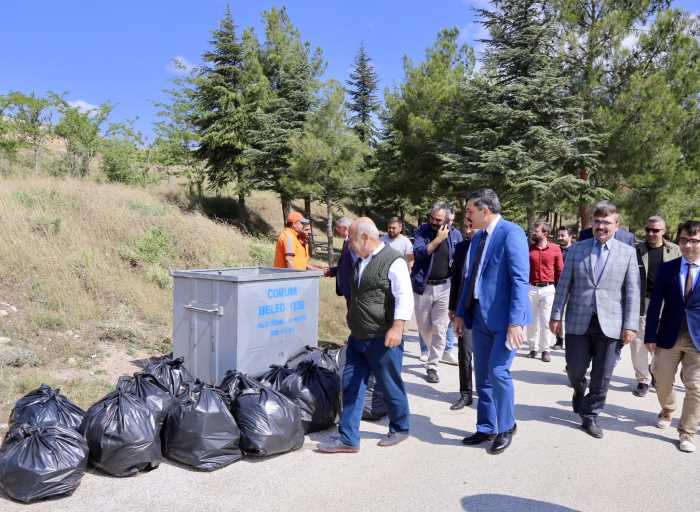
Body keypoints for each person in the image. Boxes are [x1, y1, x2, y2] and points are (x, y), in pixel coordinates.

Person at [317, 217, 413, 453]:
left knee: (390, 385)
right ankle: (348, 438)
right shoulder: (360, 260)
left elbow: (404, 296)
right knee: (351, 385)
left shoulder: (393, 260)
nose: (348, 242)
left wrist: (397, 327)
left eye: (351, 238)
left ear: (365, 238)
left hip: (383, 338)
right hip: (358, 337)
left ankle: (400, 427)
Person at [550, 201, 640, 439]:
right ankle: (579, 388)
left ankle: (590, 415)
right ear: (592, 223)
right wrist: (556, 314)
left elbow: (632, 292)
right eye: (597, 222)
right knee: (576, 368)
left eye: (606, 223)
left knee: (603, 374)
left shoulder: (628, 253)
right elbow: (563, 285)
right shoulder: (577, 250)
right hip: (579, 319)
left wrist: (630, 325)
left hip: (611, 323)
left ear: (616, 226)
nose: (601, 227)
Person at [454, 189, 531, 455]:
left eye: (470, 212)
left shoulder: (512, 233)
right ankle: (486, 427)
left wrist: (517, 321)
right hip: (479, 317)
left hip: (505, 321)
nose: (467, 216)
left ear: (485, 211)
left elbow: (521, 280)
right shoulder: (476, 239)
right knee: (483, 376)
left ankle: (507, 426)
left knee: (498, 373)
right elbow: (470, 278)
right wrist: (461, 313)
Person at [644, 220, 700, 453]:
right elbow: (655, 304)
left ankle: (687, 432)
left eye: (695, 241)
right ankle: (667, 409)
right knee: (663, 381)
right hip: (669, 335)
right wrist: (649, 335)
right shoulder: (668, 268)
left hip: (697, 340)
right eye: (684, 240)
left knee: (695, 387)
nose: (689, 246)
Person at [411, 203, 463, 383]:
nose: (433, 222)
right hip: (423, 287)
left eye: (438, 220)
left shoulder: (455, 235)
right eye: (431, 218)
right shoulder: (422, 231)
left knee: (440, 329)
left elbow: (459, 261)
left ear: (447, 220)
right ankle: (434, 349)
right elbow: (419, 253)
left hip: (445, 288)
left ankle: (433, 366)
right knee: (424, 326)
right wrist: (438, 239)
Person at [632, 215, 680, 397]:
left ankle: (657, 374)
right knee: (639, 343)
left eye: (656, 230)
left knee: (663, 344)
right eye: (648, 230)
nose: (651, 233)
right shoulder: (636, 250)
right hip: (642, 302)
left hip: (667, 303)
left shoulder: (675, 251)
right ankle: (642, 380)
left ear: (664, 231)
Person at [527, 221, 563, 362]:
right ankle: (533, 348)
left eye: (537, 231)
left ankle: (545, 350)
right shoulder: (529, 249)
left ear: (545, 233)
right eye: (534, 230)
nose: (534, 233)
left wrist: (562, 291)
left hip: (548, 289)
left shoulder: (555, 249)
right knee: (531, 321)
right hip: (532, 288)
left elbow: (560, 271)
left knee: (546, 320)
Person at [448, 216, 474, 410]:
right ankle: (465, 393)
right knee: (464, 351)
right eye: (465, 226)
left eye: (471, 225)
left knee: (485, 355)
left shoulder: (493, 247)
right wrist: (452, 307)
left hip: (487, 311)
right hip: (464, 309)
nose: (468, 229)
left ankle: (486, 390)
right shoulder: (461, 249)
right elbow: (455, 280)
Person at [325, 217, 356, 309]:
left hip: (353, 290)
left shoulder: (353, 242)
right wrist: (332, 271)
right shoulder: (347, 241)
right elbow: (345, 265)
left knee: (353, 319)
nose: (336, 230)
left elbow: (356, 266)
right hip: (348, 290)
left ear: (345, 228)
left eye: (338, 228)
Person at [553, 226, 574, 350]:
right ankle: (559, 340)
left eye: (563, 235)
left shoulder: (576, 250)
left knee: (569, 315)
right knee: (557, 315)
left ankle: (569, 340)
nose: (560, 238)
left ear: (570, 237)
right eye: (559, 235)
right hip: (555, 287)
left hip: (572, 289)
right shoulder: (555, 250)